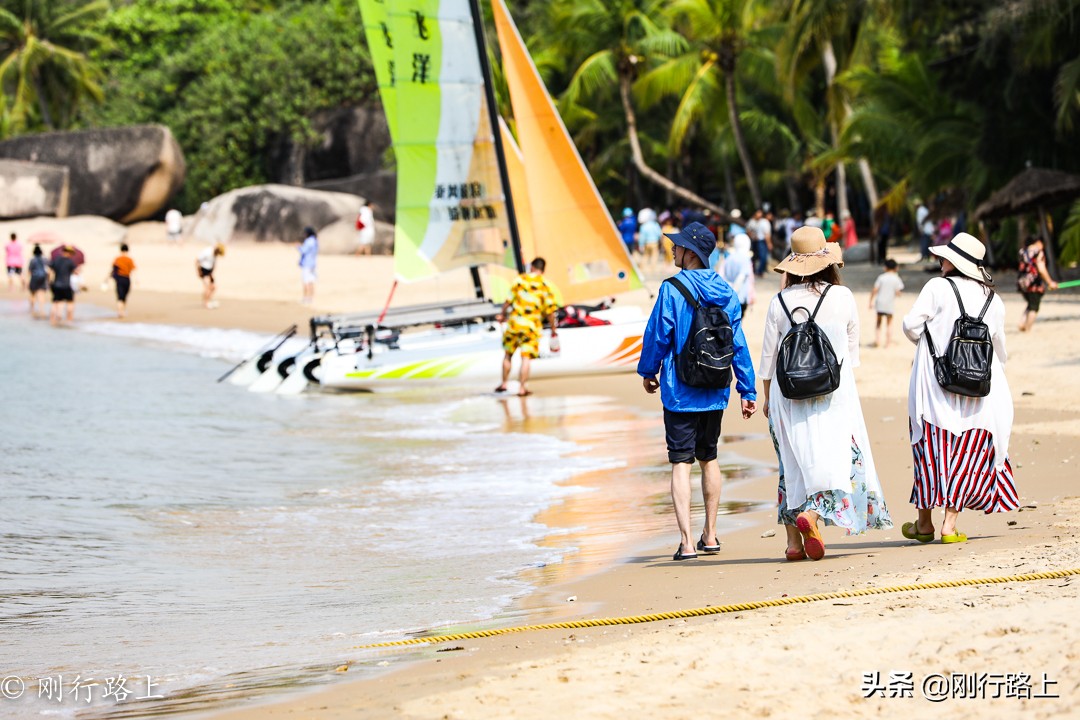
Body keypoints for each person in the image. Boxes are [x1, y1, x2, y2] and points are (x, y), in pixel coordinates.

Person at [759, 226, 892, 561]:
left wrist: (765, 397)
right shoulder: (842, 297)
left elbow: (768, 358)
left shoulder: (779, 302)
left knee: (792, 464)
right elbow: (851, 352)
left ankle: (793, 544)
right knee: (836, 460)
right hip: (834, 391)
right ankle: (815, 515)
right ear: (827, 262)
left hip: (786, 394)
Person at [637, 222, 757, 561]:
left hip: (680, 391)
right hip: (716, 389)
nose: (672, 250)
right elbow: (738, 343)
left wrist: (648, 371)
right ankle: (712, 535)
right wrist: (746, 389)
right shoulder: (726, 291)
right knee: (710, 459)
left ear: (690, 252)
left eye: (677, 246)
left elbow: (657, 334)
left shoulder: (672, 289)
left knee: (680, 463)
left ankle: (687, 542)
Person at [901, 232, 1017, 543]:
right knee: (967, 449)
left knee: (929, 445)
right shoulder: (993, 298)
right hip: (978, 384)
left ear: (954, 262)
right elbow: (999, 348)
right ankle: (949, 526)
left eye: (944, 257)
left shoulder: (937, 287)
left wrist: (931, 343)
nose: (940, 261)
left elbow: (911, 325)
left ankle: (923, 524)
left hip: (934, 381)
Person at [495, 257, 558, 397]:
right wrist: (554, 329)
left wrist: (501, 314)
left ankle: (504, 383)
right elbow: (550, 311)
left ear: (532, 267)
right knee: (526, 358)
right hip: (531, 327)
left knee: (508, 355)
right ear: (543, 269)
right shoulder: (545, 285)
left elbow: (508, 301)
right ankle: (522, 388)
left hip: (514, 324)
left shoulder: (519, 280)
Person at [1017, 235, 1058, 332]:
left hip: (1022, 282)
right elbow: (1041, 269)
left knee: (1031, 303)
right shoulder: (1038, 252)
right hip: (1033, 284)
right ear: (1039, 242)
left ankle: (1022, 323)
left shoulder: (1023, 251)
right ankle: (1028, 329)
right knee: (1034, 307)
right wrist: (1050, 282)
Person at [869, 258, 904, 348]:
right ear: (896, 268)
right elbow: (898, 292)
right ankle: (888, 343)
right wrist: (898, 294)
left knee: (878, 323)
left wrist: (870, 301)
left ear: (885, 267)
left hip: (880, 302)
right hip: (889, 304)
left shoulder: (881, 277)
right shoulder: (896, 278)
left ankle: (877, 340)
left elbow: (875, 290)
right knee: (889, 324)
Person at [721, 232, 754, 317]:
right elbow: (741, 278)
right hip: (740, 298)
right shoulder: (745, 259)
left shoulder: (728, 258)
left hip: (727, 296)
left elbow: (722, 275)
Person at [48, 245, 79, 326]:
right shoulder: (70, 261)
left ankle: (52, 320)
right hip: (66, 285)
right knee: (70, 303)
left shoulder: (56, 260)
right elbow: (76, 272)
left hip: (56, 285)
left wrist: (49, 281)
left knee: (55, 303)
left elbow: (50, 271)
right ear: (69, 253)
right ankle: (69, 320)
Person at [107, 244, 136, 318]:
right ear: (127, 250)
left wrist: (108, 277)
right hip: (127, 279)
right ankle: (122, 311)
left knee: (120, 296)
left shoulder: (117, 259)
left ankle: (120, 312)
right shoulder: (129, 259)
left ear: (120, 250)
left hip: (119, 279)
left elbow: (113, 269)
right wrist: (136, 280)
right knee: (124, 296)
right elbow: (133, 269)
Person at [196, 243, 225, 309]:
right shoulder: (207, 252)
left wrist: (212, 273)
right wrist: (198, 271)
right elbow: (197, 260)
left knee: (213, 287)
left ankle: (208, 300)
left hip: (209, 272)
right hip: (203, 270)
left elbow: (213, 264)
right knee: (207, 287)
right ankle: (206, 303)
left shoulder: (215, 254)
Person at [298, 226, 318, 304]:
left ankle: (306, 297)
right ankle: (311, 298)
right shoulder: (315, 241)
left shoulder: (309, 241)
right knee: (311, 281)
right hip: (313, 264)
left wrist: (298, 247)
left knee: (306, 281)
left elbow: (303, 250)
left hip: (307, 264)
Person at [27, 244, 48, 317]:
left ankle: (32, 310)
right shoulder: (45, 260)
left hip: (34, 278)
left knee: (33, 294)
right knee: (41, 295)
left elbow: (29, 271)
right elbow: (48, 270)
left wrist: (28, 280)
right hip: (43, 278)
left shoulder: (32, 260)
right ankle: (42, 310)